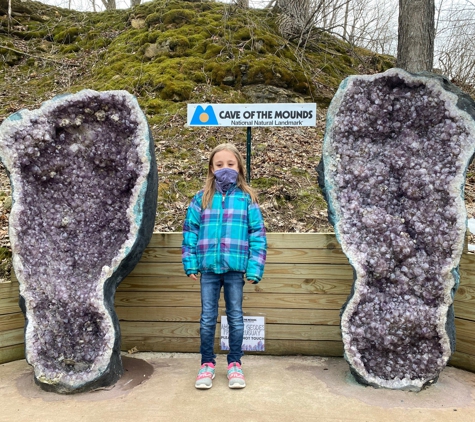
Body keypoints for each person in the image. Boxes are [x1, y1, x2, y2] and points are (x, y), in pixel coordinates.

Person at [182, 143, 267, 390]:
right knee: (207, 318)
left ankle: (234, 364)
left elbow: (257, 234)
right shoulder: (201, 198)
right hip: (208, 269)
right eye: (219, 165)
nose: (225, 168)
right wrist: (191, 262)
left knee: (236, 317)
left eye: (230, 164)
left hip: (235, 269)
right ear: (211, 168)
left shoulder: (247, 199)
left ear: (239, 166)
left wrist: (254, 267)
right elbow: (190, 231)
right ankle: (207, 364)